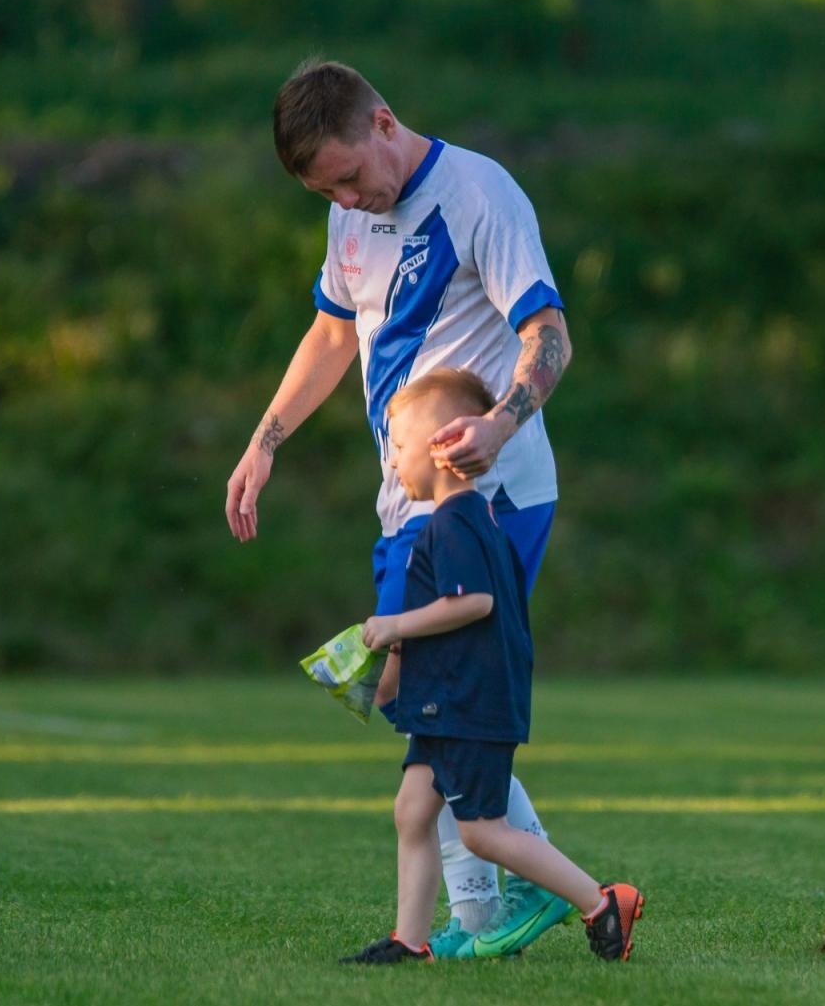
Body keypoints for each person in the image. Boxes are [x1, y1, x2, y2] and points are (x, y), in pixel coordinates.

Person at [225, 59, 575, 955]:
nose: (345, 200)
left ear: (384, 123)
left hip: (483, 490)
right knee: (417, 695)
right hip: (409, 495)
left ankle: (496, 906)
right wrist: (265, 440)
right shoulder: (351, 222)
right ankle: (493, 905)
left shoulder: (477, 194)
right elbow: (335, 331)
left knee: (422, 690)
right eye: (324, 192)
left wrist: (499, 421)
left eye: (348, 177)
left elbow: (549, 336)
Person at [340, 370, 644, 964]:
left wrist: (396, 626)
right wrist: (393, 665)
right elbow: (460, 618)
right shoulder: (464, 522)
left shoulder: (455, 522)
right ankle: (408, 941)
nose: (393, 461)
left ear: (441, 448)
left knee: (480, 829)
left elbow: (473, 604)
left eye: (398, 447)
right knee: (413, 811)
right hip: (443, 701)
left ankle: (601, 900)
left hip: (468, 706)